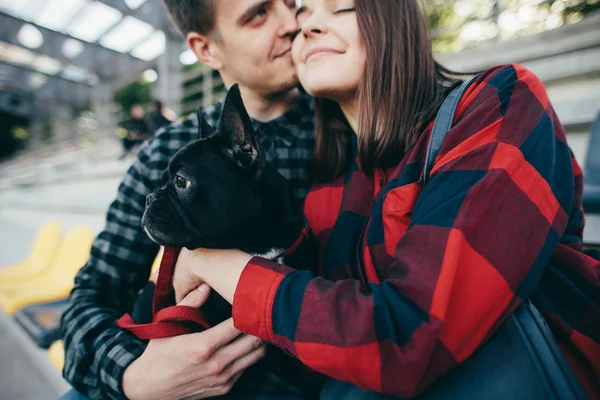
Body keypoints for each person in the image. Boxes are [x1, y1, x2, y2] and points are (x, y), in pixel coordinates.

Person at [171, 0, 600, 398]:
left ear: (392, 17)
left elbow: (408, 339)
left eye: (340, 7)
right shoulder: (328, 182)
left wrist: (215, 262)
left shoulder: (497, 104)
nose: (308, 26)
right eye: (303, 18)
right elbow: (319, 353)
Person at [60, 0, 314, 399]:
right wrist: (134, 378)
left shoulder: (355, 130)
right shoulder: (168, 148)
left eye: (291, 3)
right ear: (205, 49)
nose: (291, 23)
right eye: (258, 14)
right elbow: (93, 294)